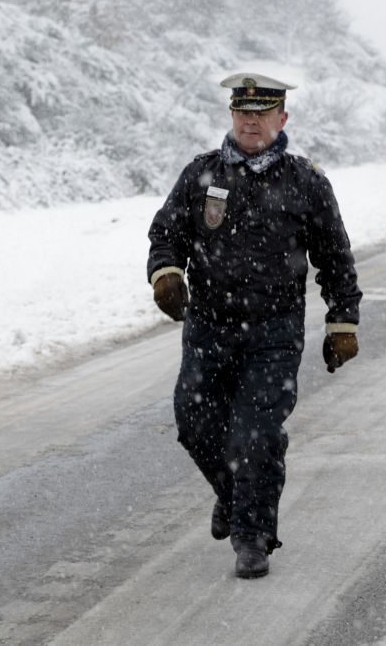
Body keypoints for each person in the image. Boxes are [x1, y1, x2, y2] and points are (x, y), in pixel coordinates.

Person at [146, 72, 362, 579]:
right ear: (232, 116)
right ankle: (236, 493)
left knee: (257, 432)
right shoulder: (201, 174)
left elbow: (335, 257)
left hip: (274, 331)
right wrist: (166, 273)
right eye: (242, 112)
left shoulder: (306, 181)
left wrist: (342, 321)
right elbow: (166, 233)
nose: (250, 120)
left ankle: (252, 536)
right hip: (209, 326)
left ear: (281, 119)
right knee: (193, 421)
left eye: (261, 113)